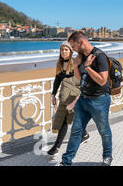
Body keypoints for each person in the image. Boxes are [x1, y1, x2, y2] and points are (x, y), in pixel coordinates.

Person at [59, 31, 113, 166]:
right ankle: (66, 162)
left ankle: (107, 157)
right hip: (83, 100)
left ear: (81, 42)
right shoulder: (81, 56)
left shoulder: (99, 56)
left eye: (73, 46)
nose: (73, 49)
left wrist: (88, 67)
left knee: (104, 131)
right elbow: (79, 77)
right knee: (76, 131)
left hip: (99, 101)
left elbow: (102, 80)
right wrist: (77, 65)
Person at [47, 42, 89, 156]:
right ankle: (82, 135)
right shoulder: (59, 64)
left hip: (75, 95)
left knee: (70, 118)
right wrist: (53, 95)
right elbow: (57, 80)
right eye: (62, 50)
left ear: (71, 52)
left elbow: (82, 79)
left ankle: (57, 146)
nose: (63, 52)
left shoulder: (76, 63)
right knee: (65, 119)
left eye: (66, 50)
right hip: (65, 95)